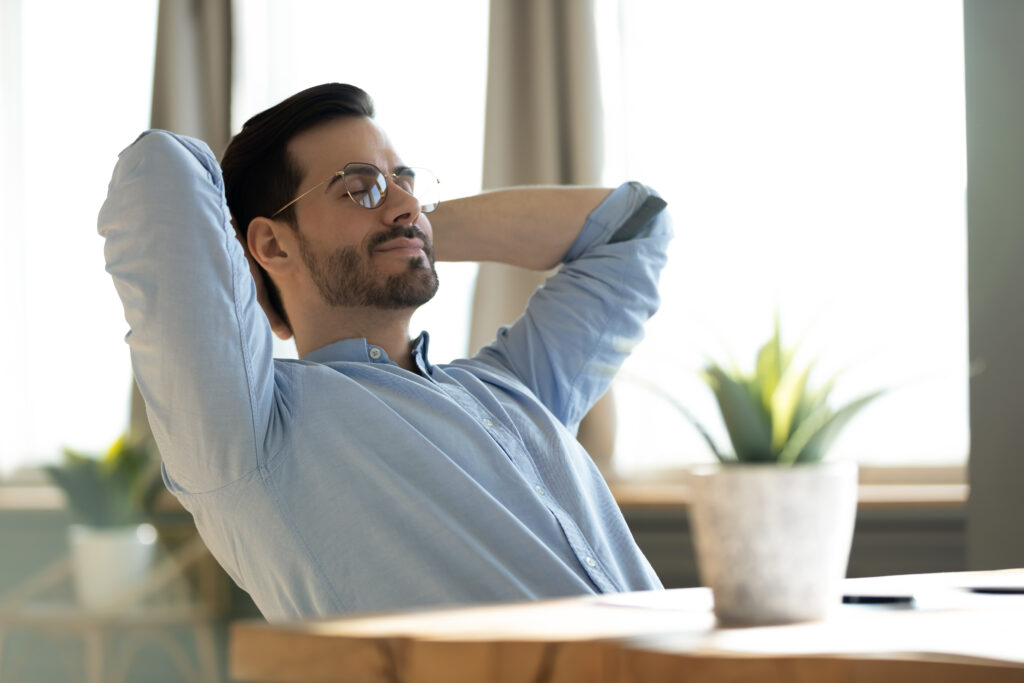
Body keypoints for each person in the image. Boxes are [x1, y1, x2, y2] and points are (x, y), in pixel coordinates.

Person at [99, 83, 672, 622]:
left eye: (405, 181)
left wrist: (411, 229)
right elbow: (161, 174)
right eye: (357, 186)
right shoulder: (253, 433)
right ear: (271, 242)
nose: (403, 202)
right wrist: (371, 236)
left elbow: (635, 229)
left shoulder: (515, 387)